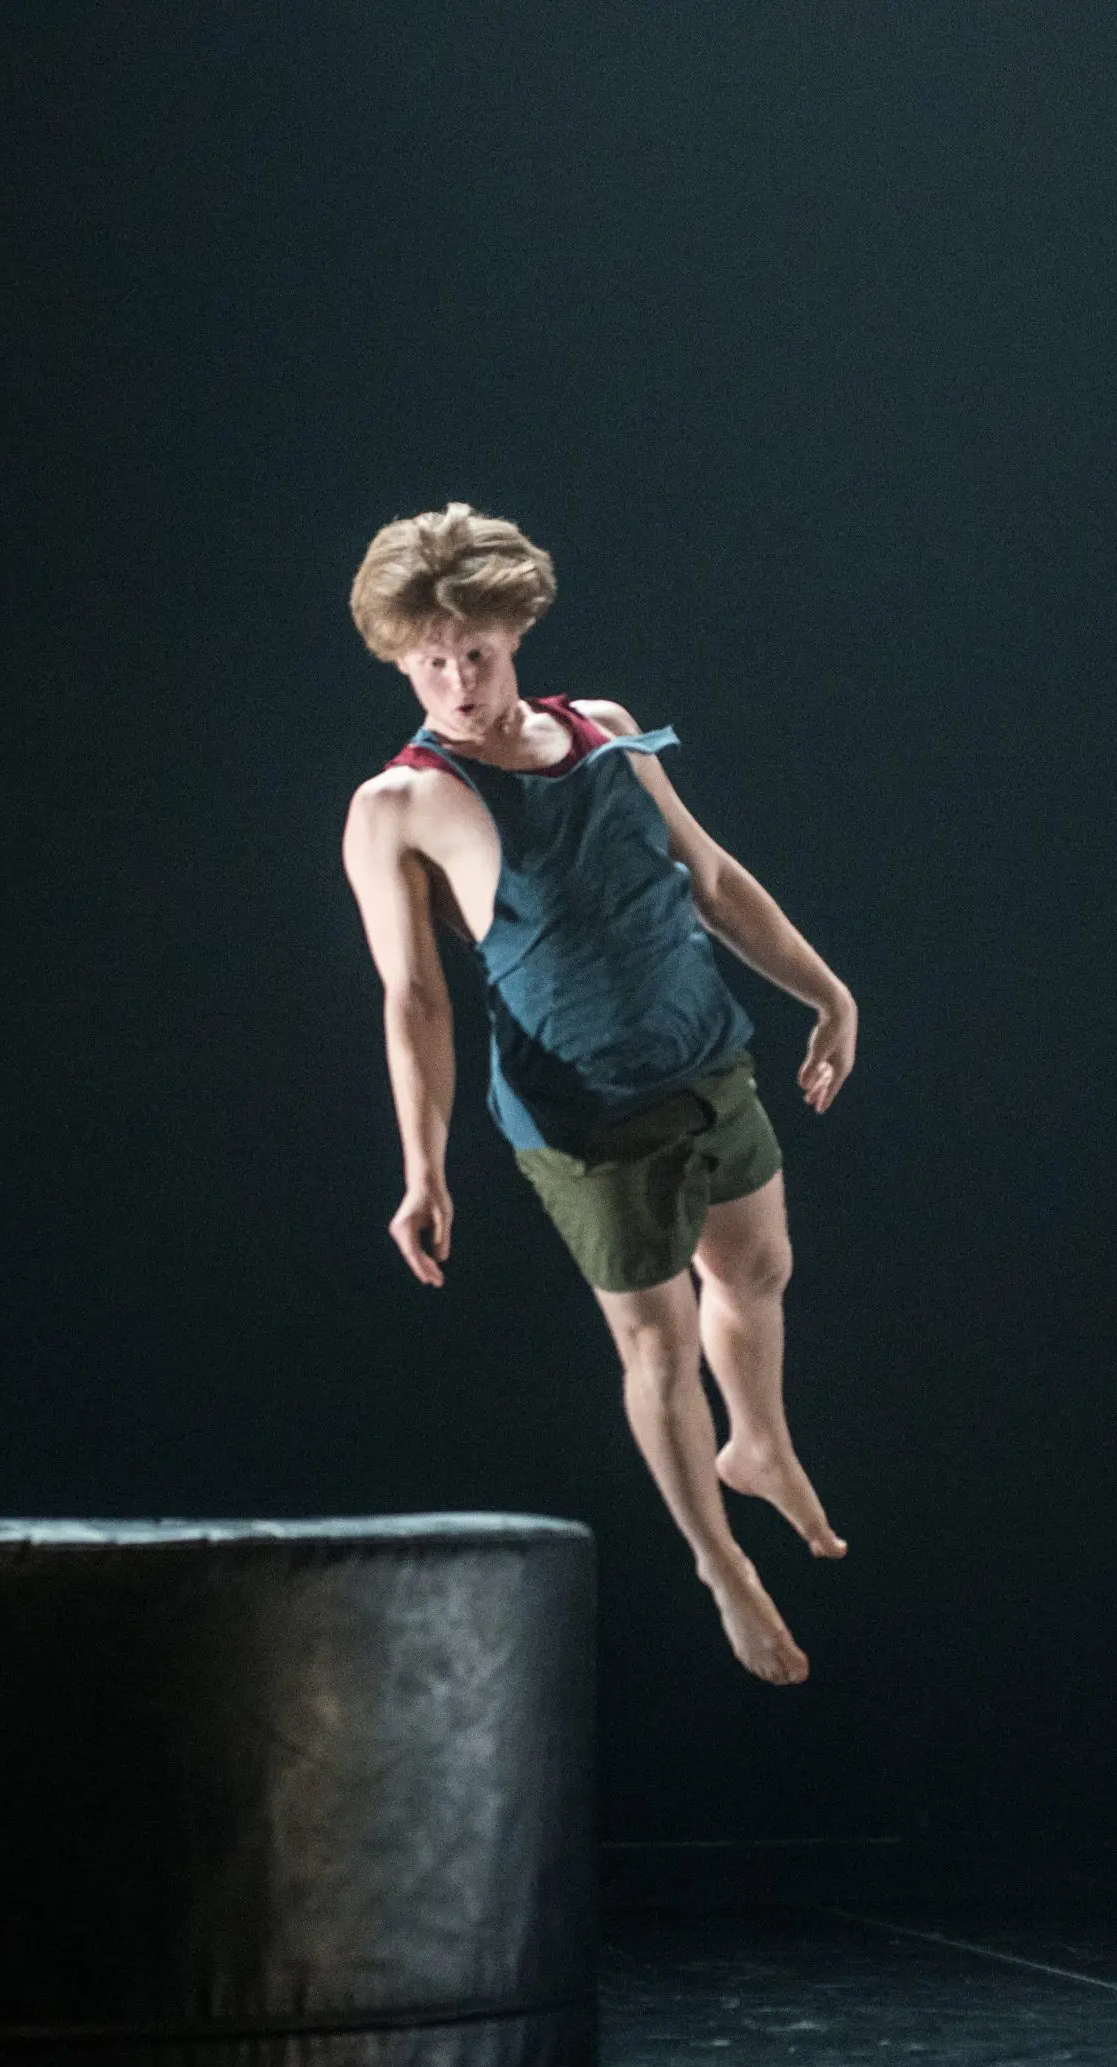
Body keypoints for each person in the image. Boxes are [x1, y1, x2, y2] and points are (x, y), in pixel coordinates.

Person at [341, 502, 858, 1686]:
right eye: (431, 663)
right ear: (401, 658)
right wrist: (422, 1167)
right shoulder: (397, 806)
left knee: (756, 1271)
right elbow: (414, 1000)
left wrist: (827, 994)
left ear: (514, 632)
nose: (457, 684)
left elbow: (709, 878)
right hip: (583, 1113)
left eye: (476, 655)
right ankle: (721, 1565)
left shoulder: (605, 729)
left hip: (701, 1053)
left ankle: (758, 1442)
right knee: (658, 1341)